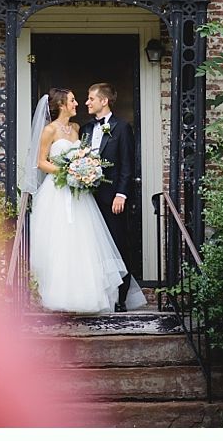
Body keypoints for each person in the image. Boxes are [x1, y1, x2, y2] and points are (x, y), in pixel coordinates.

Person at [24, 88, 146, 314]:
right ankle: (58, 296)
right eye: (73, 100)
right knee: (61, 243)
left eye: (86, 99)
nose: (79, 103)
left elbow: (99, 159)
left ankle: (92, 297)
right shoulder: (50, 130)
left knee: (85, 244)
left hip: (81, 194)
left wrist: (81, 172)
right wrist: (67, 171)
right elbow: (41, 162)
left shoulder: (78, 128)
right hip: (59, 191)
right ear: (61, 104)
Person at [79, 82, 136, 312]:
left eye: (91, 98)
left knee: (117, 245)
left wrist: (121, 194)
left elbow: (127, 164)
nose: (87, 102)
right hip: (87, 200)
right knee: (91, 248)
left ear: (104, 101)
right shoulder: (85, 129)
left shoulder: (121, 128)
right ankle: (96, 295)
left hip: (112, 199)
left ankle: (120, 297)